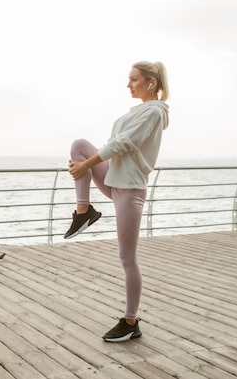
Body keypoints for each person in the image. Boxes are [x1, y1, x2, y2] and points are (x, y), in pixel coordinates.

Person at [64, 61, 170, 342]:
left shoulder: (154, 112)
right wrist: (84, 165)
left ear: (151, 82)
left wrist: (86, 165)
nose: (128, 84)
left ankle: (131, 321)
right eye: (129, 79)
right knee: (79, 145)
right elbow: (114, 145)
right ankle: (84, 210)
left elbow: (124, 143)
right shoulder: (137, 111)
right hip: (114, 178)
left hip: (130, 190)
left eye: (134, 79)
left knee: (127, 258)